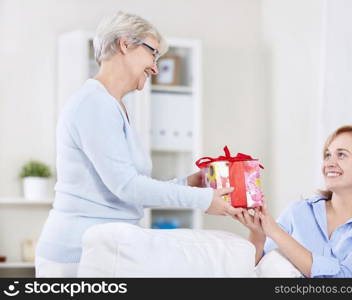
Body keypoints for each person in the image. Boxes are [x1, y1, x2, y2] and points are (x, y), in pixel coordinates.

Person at [35, 11, 242, 277]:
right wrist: (202, 200)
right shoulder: (94, 104)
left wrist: (189, 183)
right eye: (153, 53)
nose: (155, 67)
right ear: (125, 44)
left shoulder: (114, 106)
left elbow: (127, 194)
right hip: (76, 256)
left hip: (106, 252)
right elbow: (126, 187)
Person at [234, 125, 352, 277]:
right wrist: (258, 233)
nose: (329, 163)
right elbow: (258, 267)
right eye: (327, 155)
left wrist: (276, 232)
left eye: (341, 155)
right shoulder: (297, 211)